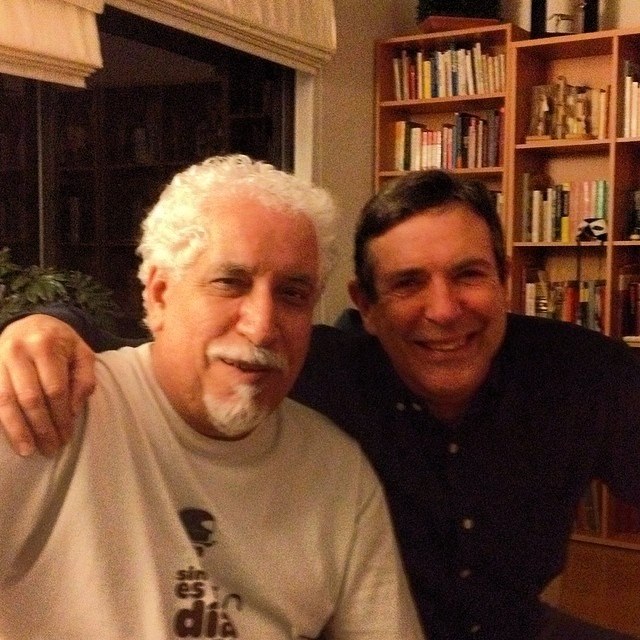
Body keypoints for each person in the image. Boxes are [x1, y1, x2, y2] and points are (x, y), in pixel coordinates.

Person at [1, 170, 639, 640]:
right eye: (408, 283)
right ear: (366, 307)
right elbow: (161, 358)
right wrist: (43, 325)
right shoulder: (306, 370)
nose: (444, 310)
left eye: (469, 274)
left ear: (505, 280)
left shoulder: (585, 375)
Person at [0, 155, 424, 640]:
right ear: (159, 295)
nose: (262, 327)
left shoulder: (338, 472)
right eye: (229, 283)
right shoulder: (46, 405)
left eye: (292, 294)